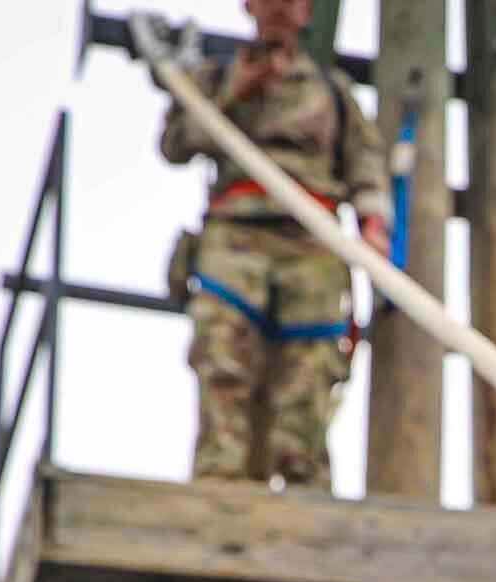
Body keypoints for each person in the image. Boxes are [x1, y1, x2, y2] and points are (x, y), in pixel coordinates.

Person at [158, 0, 390, 490]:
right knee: (224, 365)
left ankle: (304, 491)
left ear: (307, 13)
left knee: (306, 383)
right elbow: (177, 143)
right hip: (235, 242)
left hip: (312, 247)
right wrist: (235, 94)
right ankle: (221, 488)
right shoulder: (217, 79)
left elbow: (365, 165)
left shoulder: (331, 92)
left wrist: (374, 226)